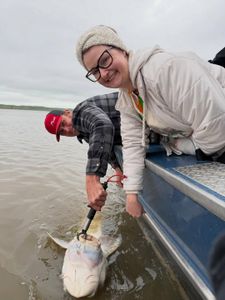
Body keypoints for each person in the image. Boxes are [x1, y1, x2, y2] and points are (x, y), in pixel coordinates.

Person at [75, 25, 225, 218]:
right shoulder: (128, 99)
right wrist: (131, 195)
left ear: (121, 49)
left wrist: (185, 146)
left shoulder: (164, 70)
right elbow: (132, 145)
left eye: (104, 60)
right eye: (94, 72)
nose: (103, 73)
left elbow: (217, 125)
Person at [44, 92, 123, 211]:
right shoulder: (84, 134)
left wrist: (92, 179)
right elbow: (107, 145)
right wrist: (117, 168)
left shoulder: (81, 111)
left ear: (67, 112)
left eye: (64, 123)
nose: (67, 130)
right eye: (62, 131)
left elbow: (102, 125)